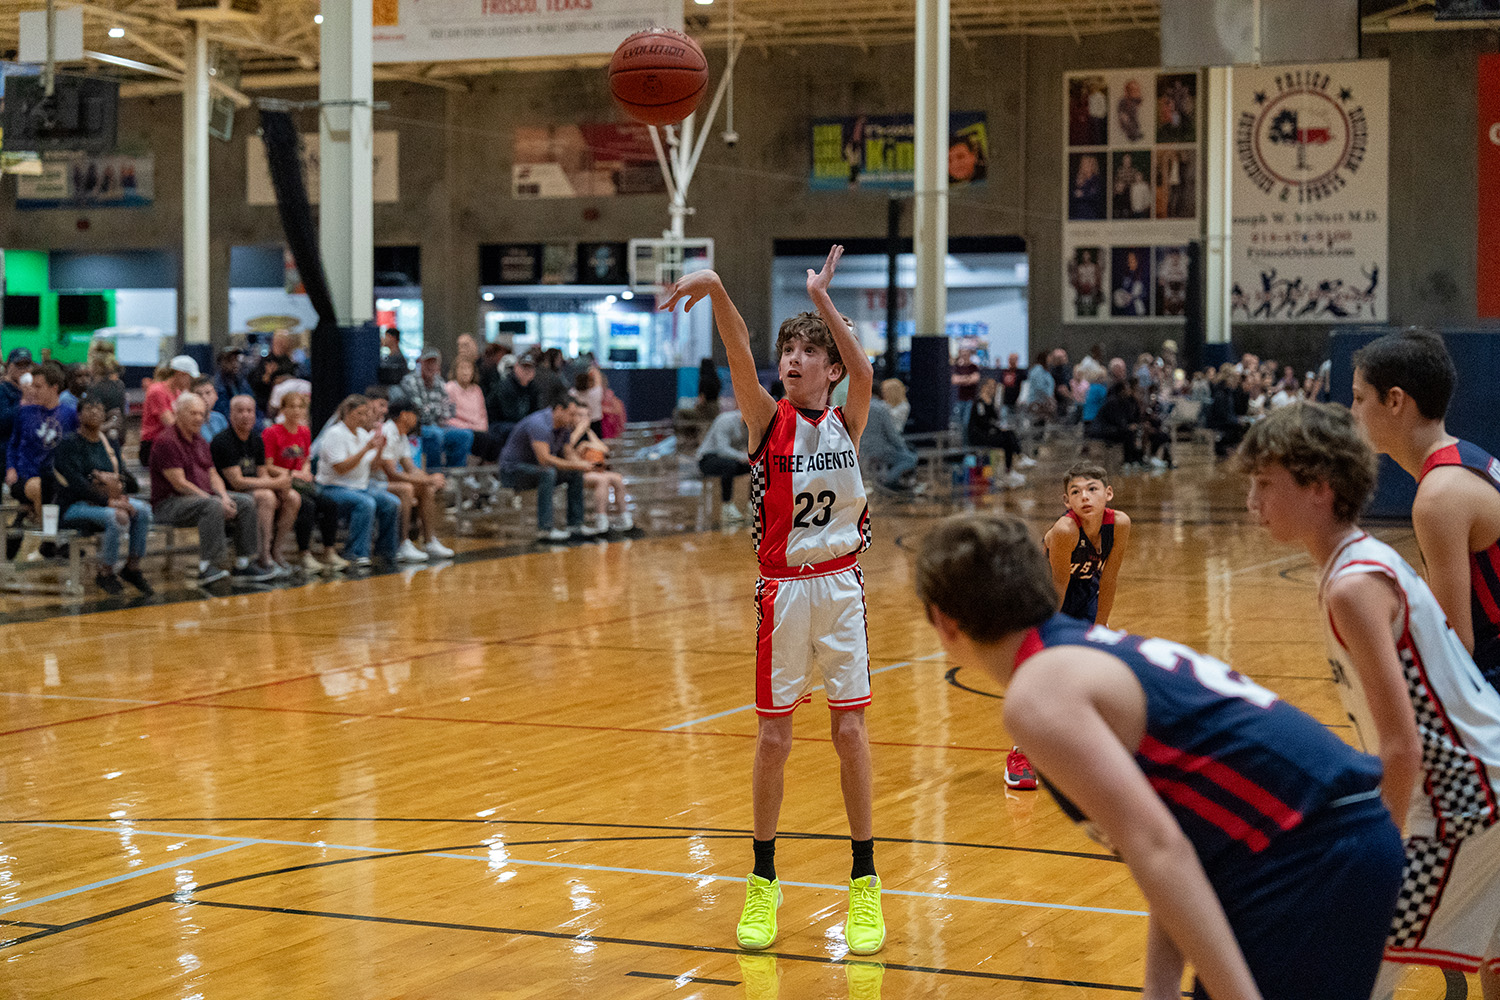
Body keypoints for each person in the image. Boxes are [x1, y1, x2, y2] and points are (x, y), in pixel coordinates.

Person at [914, 511, 1405, 1000]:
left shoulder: (1040, 691)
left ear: (943, 619)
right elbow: (1177, 834)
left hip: (1311, 852)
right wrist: (1161, 986)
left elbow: (1158, 845)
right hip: (1329, 840)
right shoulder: (1081, 650)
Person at [659, 245, 886, 958]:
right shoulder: (766, 419)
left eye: (806, 352)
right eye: (787, 349)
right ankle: (763, 879)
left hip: (842, 587)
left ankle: (865, 880)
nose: (791, 359)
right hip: (783, 592)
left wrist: (821, 300)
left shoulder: (850, 415)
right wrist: (720, 286)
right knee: (774, 739)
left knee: (850, 735)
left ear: (829, 367)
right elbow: (736, 344)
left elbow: (867, 367)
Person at [1240, 402, 1500, 997]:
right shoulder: (1360, 561)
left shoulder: (1355, 585)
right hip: (1485, 775)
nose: (1252, 500)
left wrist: (1374, 858)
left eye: (1265, 485)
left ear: (1319, 490)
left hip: (1467, 801)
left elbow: (1401, 743)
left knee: (1347, 963)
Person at [1350, 329, 1500, 695]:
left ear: (1395, 400)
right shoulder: (1468, 457)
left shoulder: (1439, 497)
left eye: (1358, 398)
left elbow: (1457, 647)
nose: (1352, 412)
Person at [149, 392, 272, 586]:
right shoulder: (167, 441)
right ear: (178, 413)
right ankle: (206, 567)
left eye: (201, 414)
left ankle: (243, 564)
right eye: (193, 413)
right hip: (169, 503)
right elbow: (179, 483)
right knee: (211, 505)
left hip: (200, 498)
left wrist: (223, 496)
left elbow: (213, 474)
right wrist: (213, 499)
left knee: (245, 502)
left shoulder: (200, 441)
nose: (198, 418)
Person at [51, 393, 153, 594]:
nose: (95, 412)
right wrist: (108, 501)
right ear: (79, 415)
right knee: (117, 517)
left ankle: (132, 567)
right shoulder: (69, 444)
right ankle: (105, 571)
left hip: (107, 500)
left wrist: (120, 494)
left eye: (99, 408)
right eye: (89, 408)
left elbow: (122, 475)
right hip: (74, 506)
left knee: (144, 511)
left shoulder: (110, 444)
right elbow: (77, 485)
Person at [211, 395, 300, 576]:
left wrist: (279, 487)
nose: (245, 415)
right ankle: (263, 557)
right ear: (231, 415)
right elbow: (237, 482)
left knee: (292, 497)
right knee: (266, 496)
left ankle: (277, 551)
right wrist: (274, 484)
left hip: (254, 489)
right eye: (240, 411)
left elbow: (262, 474)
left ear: (255, 414)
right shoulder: (223, 441)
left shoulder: (257, 440)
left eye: (249, 411)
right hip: (229, 493)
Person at [315, 394, 401, 568]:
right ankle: (356, 552)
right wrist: (366, 448)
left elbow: (374, 467)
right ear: (347, 412)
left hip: (359, 487)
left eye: (365, 414)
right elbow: (341, 468)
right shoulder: (335, 433)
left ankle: (386, 550)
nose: (363, 418)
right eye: (360, 413)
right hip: (333, 487)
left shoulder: (362, 434)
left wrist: (379, 449)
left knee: (392, 502)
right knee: (366, 503)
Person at [262, 390, 344, 574]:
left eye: (300, 406)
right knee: (306, 506)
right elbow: (268, 466)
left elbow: (306, 459)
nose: (296, 411)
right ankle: (304, 553)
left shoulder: (304, 431)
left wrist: (305, 471)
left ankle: (328, 551)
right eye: (291, 406)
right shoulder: (271, 432)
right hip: (281, 482)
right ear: (283, 409)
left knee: (329, 505)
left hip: (301, 481)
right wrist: (293, 474)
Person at [498, 390, 595, 543]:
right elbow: (545, 459)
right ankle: (545, 529)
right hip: (512, 471)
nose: (574, 418)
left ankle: (575, 525)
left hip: (536, 470)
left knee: (575, 473)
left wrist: (583, 465)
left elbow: (568, 453)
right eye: (571, 414)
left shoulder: (564, 427)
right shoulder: (539, 424)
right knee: (548, 472)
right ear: (558, 410)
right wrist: (576, 464)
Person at [376, 399, 456, 562]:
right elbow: (391, 473)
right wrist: (428, 480)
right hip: (375, 482)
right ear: (404, 415)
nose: (417, 419)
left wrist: (429, 480)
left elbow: (410, 468)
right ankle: (402, 543)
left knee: (426, 489)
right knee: (407, 489)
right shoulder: (387, 432)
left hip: (388, 482)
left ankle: (429, 540)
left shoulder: (402, 435)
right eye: (415, 415)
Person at [5, 360, 77, 518]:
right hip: (26, 476)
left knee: (55, 490)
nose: (33, 391)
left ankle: (51, 536)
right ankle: (49, 535)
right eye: (32, 386)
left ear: (54, 388)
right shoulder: (25, 412)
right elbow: (13, 444)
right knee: (41, 488)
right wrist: (10, 468)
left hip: (56, 477)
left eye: (39, 387)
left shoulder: (69, 414)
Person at [565, 398, 633, 534]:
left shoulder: (589, 433)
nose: (583, 419)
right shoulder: (568, 432)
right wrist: (579, 430)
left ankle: (623, 517)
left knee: (617, 478)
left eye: (586, 416)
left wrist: (588, 444)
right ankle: (601, 520)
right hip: (577, 472)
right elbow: (568, 448)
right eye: (579, 415)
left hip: (593, 469)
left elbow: (604, 449)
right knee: (602, 480)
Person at [401, 347, 474, 470]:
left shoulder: (439, 382)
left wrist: (433, 410)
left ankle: (455, 475)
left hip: (438, 426)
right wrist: (436, 410)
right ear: (421, 362)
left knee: (465, 435)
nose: (431, 366)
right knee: (435, 434)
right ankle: (434, 474)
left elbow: (449, 412)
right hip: (416, 429)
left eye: (434, 362)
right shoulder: (410, 381)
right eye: (428, 362)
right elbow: (421, 413)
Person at [140, 355, 198, 468]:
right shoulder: (157, 391)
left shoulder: (178, 393)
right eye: (189, 378)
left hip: (171, 444)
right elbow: (170, 423)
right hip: (154, 445)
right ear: (180, 374)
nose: (190, 383)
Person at [697, 408, 752, 522]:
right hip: (708, 458)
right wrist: (743, 457)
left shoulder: (752, 425)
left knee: (757, 465)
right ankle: (726, 506)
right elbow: (722, 449)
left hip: (732, 458)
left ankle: (752, 504)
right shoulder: (725, 420)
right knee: (729, 465)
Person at [967, 379, 1024, 486]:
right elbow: (983, 422)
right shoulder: (979, 403)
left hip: (988, 434)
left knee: (1009, 434)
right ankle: (1015, 460)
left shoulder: (989, 402)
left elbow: (995, 418)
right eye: (991, 386)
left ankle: (1015, 462)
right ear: (984, 387)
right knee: (1006, 439)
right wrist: (997, 429)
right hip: (979, 437)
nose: (992, 389)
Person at [446, 357, 502, 463]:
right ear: (455, 370)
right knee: (472, 437)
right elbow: (448, 417)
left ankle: (484, 472)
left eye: (468, 368)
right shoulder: (450, 388)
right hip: (459, 428)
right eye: (462, 368)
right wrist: (469, 427)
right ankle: (469, 472)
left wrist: (482, 427)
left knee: (494, 439)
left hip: (478, 428)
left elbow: (482, 413)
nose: (465, 372)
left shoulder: (477, 390)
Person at [486, 354, 539, 445]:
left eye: (530, 368)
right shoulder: (506, 386)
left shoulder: (533, 387)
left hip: (519, 423)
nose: (527, 371)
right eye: (524, 368)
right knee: (519, 429)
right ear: (516, 368)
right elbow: (510, 415)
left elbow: (536, 411)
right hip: (499, 424)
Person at [0, 347, 33, 477]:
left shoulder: (34, 390)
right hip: (5, 451)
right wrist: (23, 401)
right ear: (9, 366)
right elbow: (3, 421)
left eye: (26, 365)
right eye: (18, 365)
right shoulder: (3, 390)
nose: (23, 369)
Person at [251, 330, 300, 414]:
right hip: (266, 402)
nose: (280, 345)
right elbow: (256, 383)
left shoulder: (290, 362)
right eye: (277, 342)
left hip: (287, 402)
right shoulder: (266, 361)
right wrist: (268, 375)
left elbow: (297, 380)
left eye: (282, 342)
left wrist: (286, 379)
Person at [212, 348, 255, 422]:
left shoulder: (242, 382)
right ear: (221, 363)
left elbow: (252, 404)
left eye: (236, 360)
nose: (235, 364)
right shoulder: (216, 386)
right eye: (230, 360)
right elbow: (222, 412)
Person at [950, 347, 981, 439]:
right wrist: (967, 378)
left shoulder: (974, 367)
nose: (964, 356)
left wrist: (962, 379)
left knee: (966, 423)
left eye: (966, 354)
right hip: (960, 400)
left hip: (970, 400)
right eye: (962, 354)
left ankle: (966, 446)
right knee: (958, 423)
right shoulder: (958, 367)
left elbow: (974, 379)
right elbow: (954, 380)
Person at [192, 376, 229, 443]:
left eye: (208, 393)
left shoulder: (220, 418)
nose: (204, 397)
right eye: (199, 394)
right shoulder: (191, 423)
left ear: (216, 395)